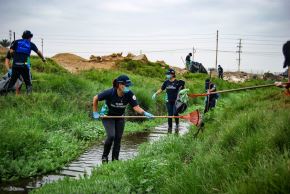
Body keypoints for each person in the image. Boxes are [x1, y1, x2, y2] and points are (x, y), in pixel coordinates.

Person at [92, 75, 154, 163]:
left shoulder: (129, 94)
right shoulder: (110, 92)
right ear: (120, 85)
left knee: (118, 138)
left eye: (129, 85)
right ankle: (104, 157)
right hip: (108, 116)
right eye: (126, 85)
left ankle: (115, 159)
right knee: (111, 136)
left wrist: (144, 113)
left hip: (120, 116)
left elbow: (136, 107)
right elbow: (95, 98)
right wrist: (95, 112)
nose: (128, 87)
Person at [152, 68, 185, 133]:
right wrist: (155, 93)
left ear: (172, 74)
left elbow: (183, 90)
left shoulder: (177, 82)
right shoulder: (166, 82)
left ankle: (177, 126)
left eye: (168, 74)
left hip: (176, 101)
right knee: (169, 114)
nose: (167, 75)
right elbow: (161, 89)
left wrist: (183, 85)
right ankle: (169, 128)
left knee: (175, 113)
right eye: (167, 74)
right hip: (168, 101)